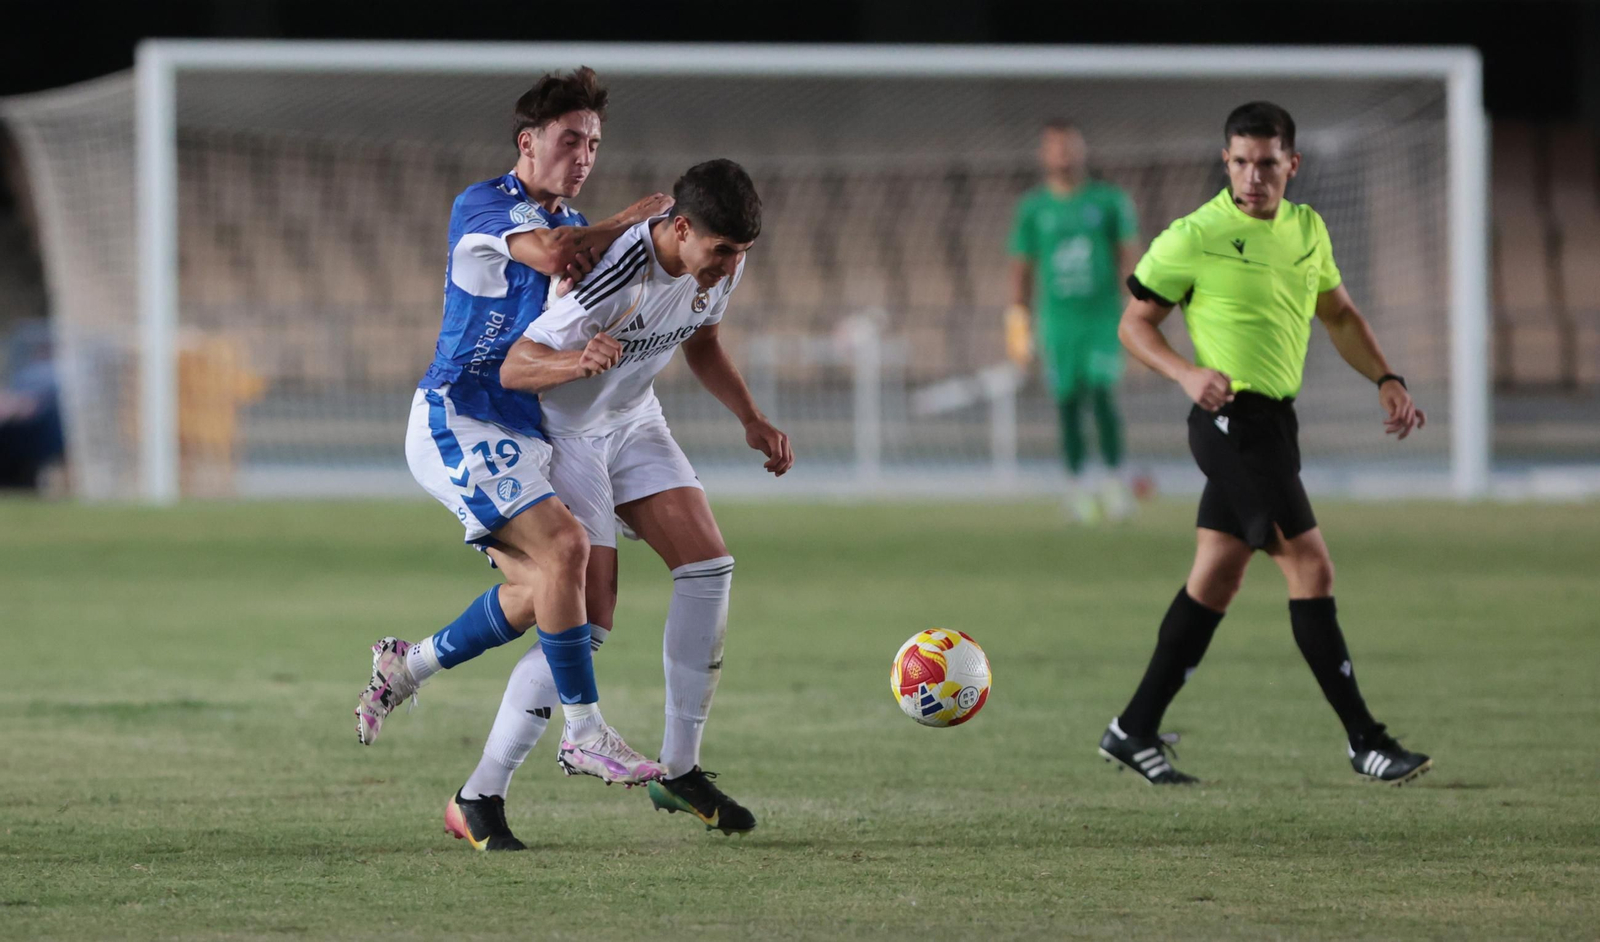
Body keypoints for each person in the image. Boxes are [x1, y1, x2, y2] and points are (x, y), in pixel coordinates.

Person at [441, 159, 790, 851]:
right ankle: (479, 795)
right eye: (719, 252)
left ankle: (680, 769)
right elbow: (516, 364)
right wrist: (578, 363)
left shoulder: (719, 260)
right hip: (569, 435)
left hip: (636, 420)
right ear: (682, 229)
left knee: (709, 566)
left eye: (739, 255)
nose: (726, 268)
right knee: (587, 625)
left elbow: (705, 339)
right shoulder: (614, 274)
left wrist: (750, 418)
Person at [355, 67, 673, 789]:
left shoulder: (571, 226)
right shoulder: (484, 204)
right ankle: (585, 733)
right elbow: (556, 257)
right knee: (565, 547)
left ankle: (407, 666)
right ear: (527, 142)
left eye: (593, 141)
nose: (584, 155)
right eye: (570, 139)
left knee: (546, 593)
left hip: (521, 427)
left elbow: (576, 296)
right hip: (457, 416)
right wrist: (631, 220)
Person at [1098, 102, 1431, 786]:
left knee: (1217, 574)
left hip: (1276, 426)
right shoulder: (1194, 235)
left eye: (1268, 163)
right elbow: (1134, 325)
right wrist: (1187, 372)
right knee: (1312, 567)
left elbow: (1338, 314)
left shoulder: (1307, 228)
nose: (1254, 176)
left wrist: (1387, 378)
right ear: (1226, 162)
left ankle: (1132, 728)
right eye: (1242, 162)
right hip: (1227, 424)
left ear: (1292, 165)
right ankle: (1365, 741)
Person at [1006, 119, 1142, 522]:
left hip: (1101, 318)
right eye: (1055, 147)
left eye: (1069, 146)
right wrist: (1018, 326)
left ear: (1082, 151)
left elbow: (1129, 257)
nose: (1063, 154)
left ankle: (1115, 483)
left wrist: (1138, 312)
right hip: (1057, 321)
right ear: (1043, 155)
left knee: (1101, 393)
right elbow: (1021, 270)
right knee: (1066, 402)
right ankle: (1077, 487)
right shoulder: (1033, 209)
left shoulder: (1108, 202)